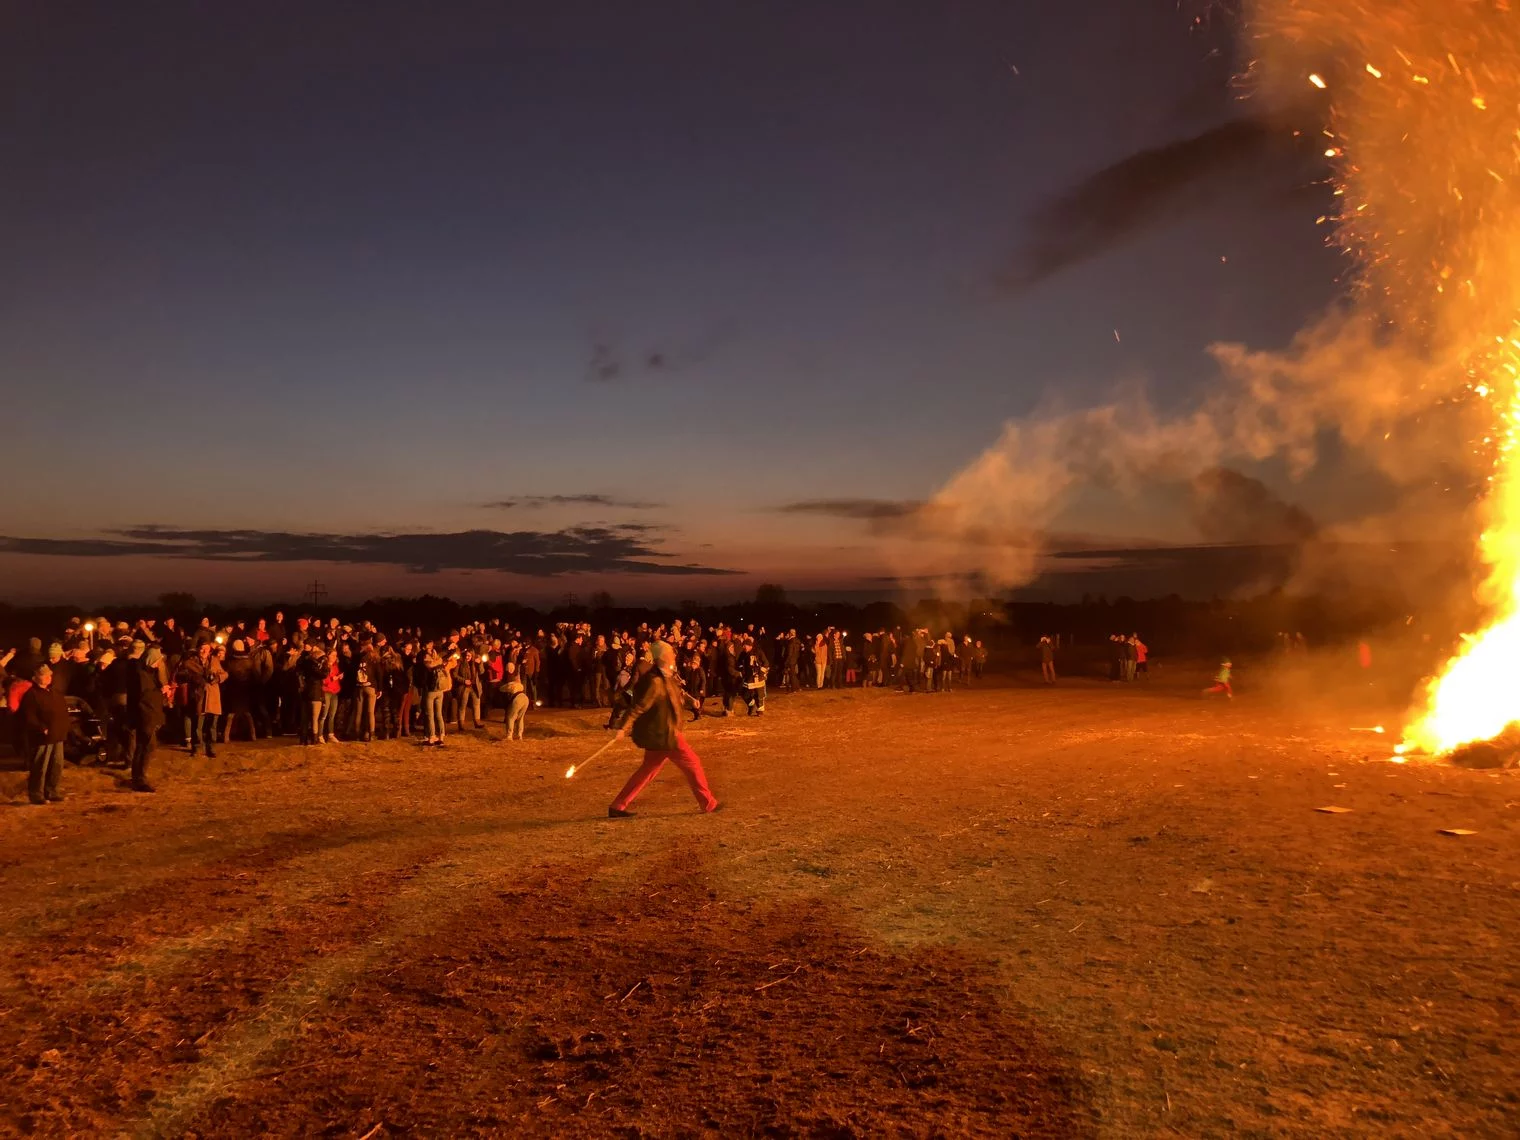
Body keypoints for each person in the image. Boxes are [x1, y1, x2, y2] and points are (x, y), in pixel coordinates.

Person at [608, 642, 720, 818]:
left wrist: (691, 701)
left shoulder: (666, 676)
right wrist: (623, 727)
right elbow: (638, 707)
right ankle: (708, 803)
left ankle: (618, 805)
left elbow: (677, 693)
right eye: (669, 653)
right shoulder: (655, 681)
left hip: (662, 734)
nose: (673, 655)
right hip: (666, 734)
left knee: (647, 771)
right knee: (693, 764)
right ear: (661, 657)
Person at [20, 664, 69, 804]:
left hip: (57, 735)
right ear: (36, 678)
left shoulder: (55, 693)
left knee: (56, 765)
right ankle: (37, 794)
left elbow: (62, 711)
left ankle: (52, 791)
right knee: (40, 766)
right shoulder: (31, 695)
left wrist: (64, 728)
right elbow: (29, 716)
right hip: (42, 737)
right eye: (45, 675)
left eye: (49, 675)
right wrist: (40, 728)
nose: (48, 678)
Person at [501, 662, 529, 741]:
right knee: (520, 718)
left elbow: (502, 688)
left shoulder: (511, 683)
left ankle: (509, 736)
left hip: (517, 699)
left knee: (511, 717)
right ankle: (519, 735)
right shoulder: (518, 682)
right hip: (525, 698)